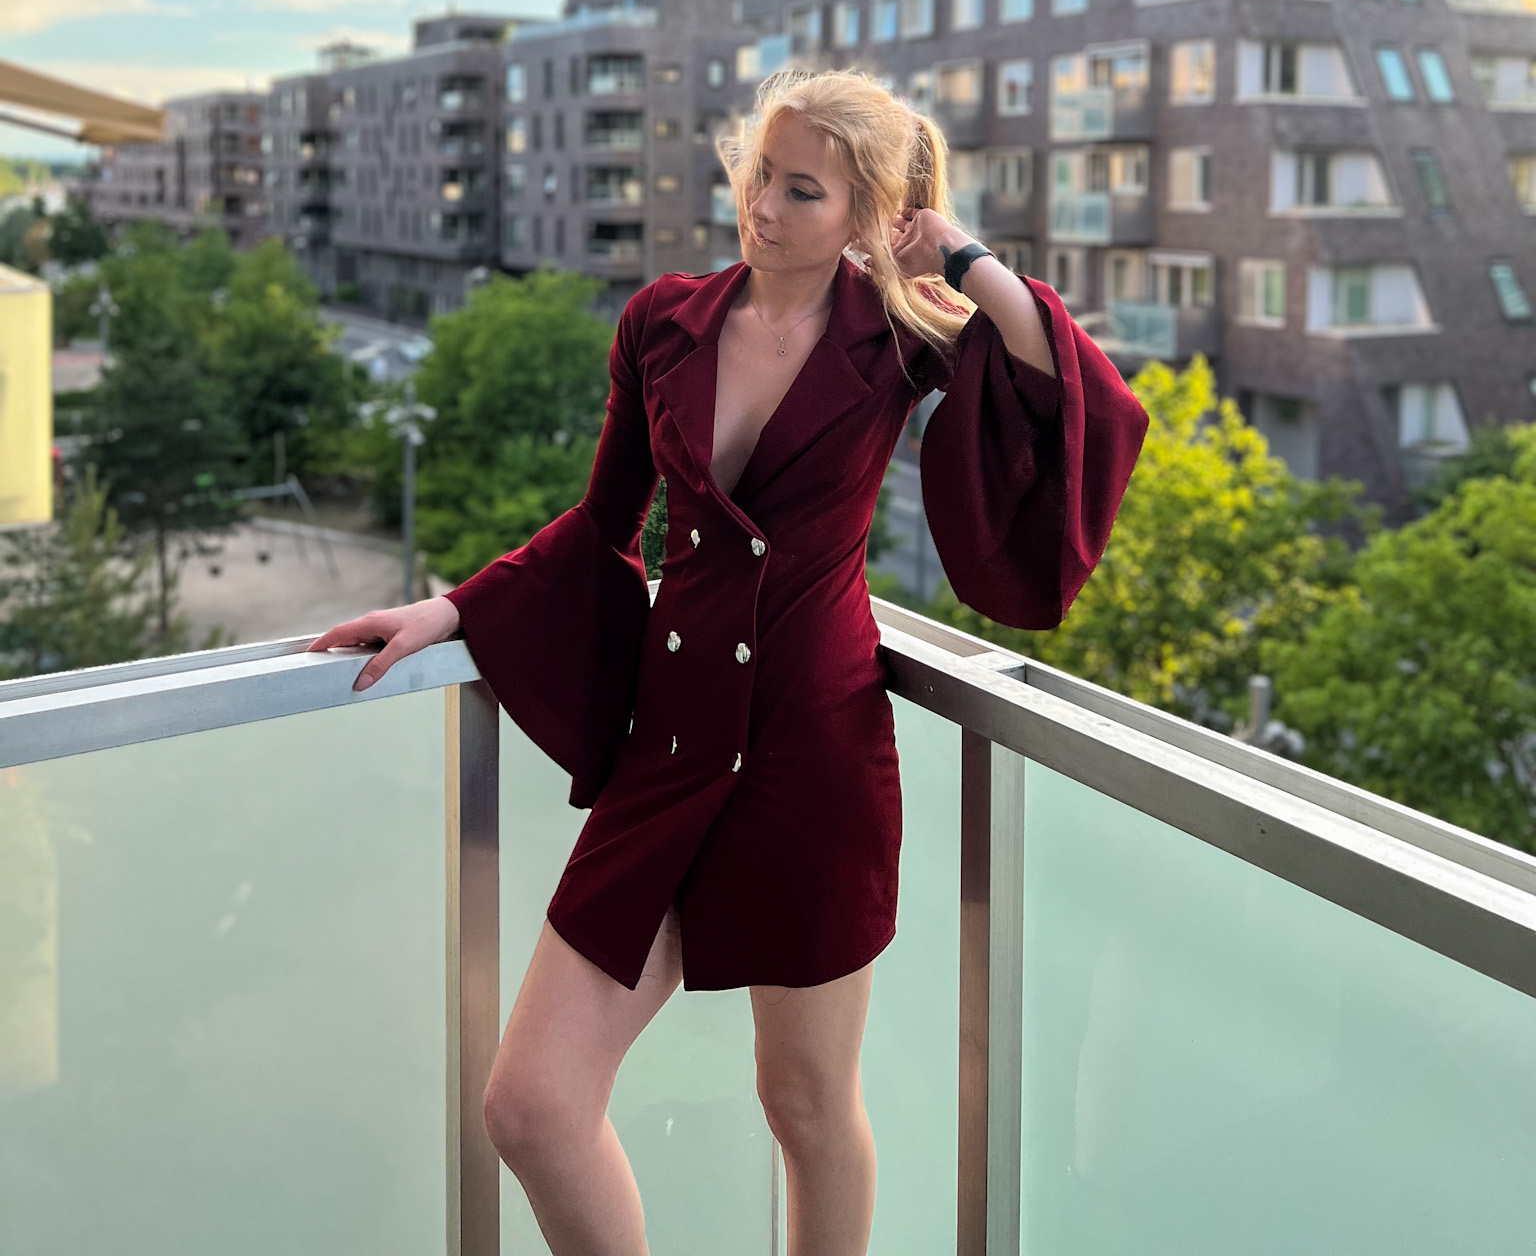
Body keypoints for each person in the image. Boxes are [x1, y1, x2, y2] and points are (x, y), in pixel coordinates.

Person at [309, 68, 1148, 1256]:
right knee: (532, 1102)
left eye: (802, 189)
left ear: (863, 216)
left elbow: (1079, 389)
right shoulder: (663, 318)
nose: (761, 203)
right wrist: (449, 611)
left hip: (816, 760)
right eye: (761, 171)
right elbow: (599, 523)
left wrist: (957, 255)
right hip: (672, 746)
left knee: (804, 1104)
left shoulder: (901, 344)